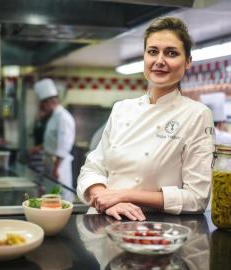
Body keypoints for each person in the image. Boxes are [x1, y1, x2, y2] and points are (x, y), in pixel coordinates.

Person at [77, 17, 215, 221]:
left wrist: (123, 195)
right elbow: (92, 169)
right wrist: (103, 198)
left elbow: (196, 198)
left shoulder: (197, 114)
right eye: (152, 52)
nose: (160, 60)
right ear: (144, 57)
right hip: (104, 223)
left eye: (171, 53)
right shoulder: (121, 109)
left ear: (187, 62)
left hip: (156, 229)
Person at [34, 78, 76, 190]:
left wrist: (56, 168)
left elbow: (64, 145)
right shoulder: (54, 116)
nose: (42, 109)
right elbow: (53, 138)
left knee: (60, 197)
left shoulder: (63, 118)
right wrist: (41, 147)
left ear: (49, 103)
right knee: (51, 195)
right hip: (51, 163)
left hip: (59, 166)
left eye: (43, 105)